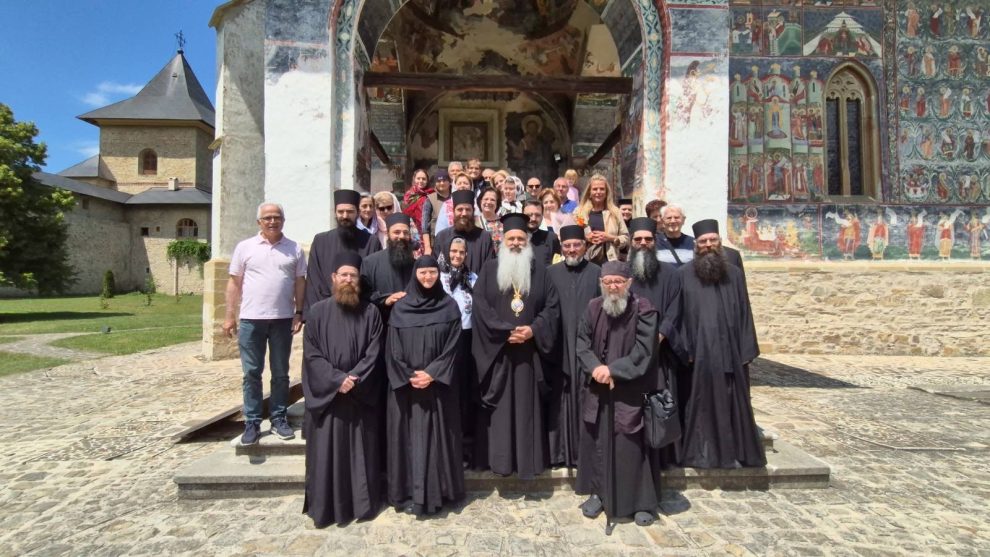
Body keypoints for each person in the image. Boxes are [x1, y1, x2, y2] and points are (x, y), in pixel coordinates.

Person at [471, 214, 560, 479]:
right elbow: (480, 307)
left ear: (528, 241)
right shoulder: (489, 269)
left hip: (529, 355)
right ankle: (501, 463)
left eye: (521, 238)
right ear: (502, 240)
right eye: (511, 238)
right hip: (498, 353)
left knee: (526, 410)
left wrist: (533, 330)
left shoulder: (541, 272)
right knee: (500, 410)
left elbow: (552, 308)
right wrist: (504, 331)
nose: (516, 243)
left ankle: (527, 463)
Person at [574, 261, 661, 527]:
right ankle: (598, 494)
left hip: (630, 389)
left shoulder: (644, 309)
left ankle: (640, 502)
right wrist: (596, 368)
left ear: (629, 284)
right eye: (608, 281)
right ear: (601, 283)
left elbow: (644, 351)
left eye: (618, 282)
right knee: (598, 443)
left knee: (629, 446)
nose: (613, 286)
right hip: (598, 388)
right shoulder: (593, 307)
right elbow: (581, 343)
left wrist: (613, 370)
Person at [673, 219, 765, 469]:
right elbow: (678, 317)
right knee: (700, 403)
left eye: (712, 240)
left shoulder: (734, 274)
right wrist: (686, 350)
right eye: (703, 241)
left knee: (731, 401)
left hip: (730, 351)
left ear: (720, 242)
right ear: (696, 245)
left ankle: (733, 452)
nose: (708, 245)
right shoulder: (682, 275)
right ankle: (700, 453)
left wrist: (746, 349)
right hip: (699, 354)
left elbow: (745, 310)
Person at [302, 252, 384, 527]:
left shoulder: (371, 313)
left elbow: (374, 352)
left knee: (361, 454)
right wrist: (337, 379)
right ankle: (327, 507)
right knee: (327, 455)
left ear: (359, 280)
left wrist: (354, 378)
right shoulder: (316, 312)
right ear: (334, 278)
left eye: (353, 275)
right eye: (344, 275)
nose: (348, 280)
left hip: (359, 396)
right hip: (329, 399)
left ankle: (362, 504)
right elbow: (311, 354)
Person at [385, 256, 465, 516]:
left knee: (441, 440)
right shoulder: (401, 308)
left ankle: (444, 491)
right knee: (408, 442)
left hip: (439, 387)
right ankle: (409, 493)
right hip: (408, 389)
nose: (428, 277)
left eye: (432, 272)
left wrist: (432, 373)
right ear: (415, 275)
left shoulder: (449, 306)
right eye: (423, 273)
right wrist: (409, 375)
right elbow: (392, 348)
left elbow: (454, 346)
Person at [224, 202, 307, 445]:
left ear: (283, 220)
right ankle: (252, 421)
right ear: (259, 222)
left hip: (282, 319)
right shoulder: (245, 247)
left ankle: (279, 418)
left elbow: (300, 282)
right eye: (267, 218)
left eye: (276, 217)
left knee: (281, 373)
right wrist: (229, 316)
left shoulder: (294, 249)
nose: (272, 221)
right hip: (251, 319)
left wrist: (299, 312)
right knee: (252, 373)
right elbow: (234, 283)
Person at [626, 217, 683, 466]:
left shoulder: (671, 274)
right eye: (637, 239)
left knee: (661, 405)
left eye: (648, 239)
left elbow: (675, 308)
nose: (643, 243)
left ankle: (663, 457)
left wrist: (660, 334)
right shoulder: (621, 273)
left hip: (660, 352)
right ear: (631, 242)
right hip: (629, 353)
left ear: (655, 241)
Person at [546, 225, 601, 468]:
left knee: (587, 397)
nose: (571, 249)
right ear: (561, 247)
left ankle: (585, 454)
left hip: (589, 348)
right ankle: (558, 454)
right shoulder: (550, 273)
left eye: (576, 245)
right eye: (567, 245)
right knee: (559, 398)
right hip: (558, 347)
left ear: (585, 246)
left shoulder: (597, 272)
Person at [304, 190, 382, 317]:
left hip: (361, 313)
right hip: (326, 313)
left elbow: (374, 280)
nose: (345, 216)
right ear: (335, 212)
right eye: (340, 211)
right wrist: (317, 314)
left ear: (357, 212)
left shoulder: (371, 242)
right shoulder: (320, 241)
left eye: (350, 211)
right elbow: (314, 281)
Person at [439, 238, 480, 458]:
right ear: (447, 252)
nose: (457, 255)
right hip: (446, 339)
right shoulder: (439, 277)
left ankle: (467, 443)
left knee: (466, 391)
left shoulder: (472, 278)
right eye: (453, 251)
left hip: (468, 338)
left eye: (461, 252)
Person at [360, 213, 417, 325]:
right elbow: (364, 295)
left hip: (410, 325)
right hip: (381, 324)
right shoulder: (370, 263)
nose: (401, 236)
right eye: (396, 232)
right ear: (387, 234)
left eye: (405, 233)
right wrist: (385, 300)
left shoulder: (416, 265)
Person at [433, 189, 496, 276]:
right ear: (453, 211)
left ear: (473, 211)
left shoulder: (484, 237)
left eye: (468, 209)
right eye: (460, 209)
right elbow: (436, 269)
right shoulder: (442, 237)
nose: (464, 213)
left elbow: (490, 269)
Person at [574, 174, 629, 264]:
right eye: (595, 189)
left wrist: (611, 238)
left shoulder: (615, 212)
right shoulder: (579, 212)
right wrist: (585, 237)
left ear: (607, 192)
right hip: (585, 261)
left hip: (609, 261)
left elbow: (625, 238)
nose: (598, 192)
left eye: (602, 189)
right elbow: (570, 236)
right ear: (589, 192)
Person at [421, 169, 452, 255]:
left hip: (454, 242)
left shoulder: (455, 197)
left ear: (449, 182)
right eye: (438, 181)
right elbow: (425, 226)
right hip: (436, 244)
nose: (441, 183)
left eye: (444, 180)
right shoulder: (430, 199)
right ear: (435, 183)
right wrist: (427, 247)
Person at [524, 200, 562, 267]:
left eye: (537, 215)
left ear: (542, 217)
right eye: (529, 215)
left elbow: (557, 266)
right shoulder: (514, 239)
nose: (533, 219)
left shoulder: (551, 238)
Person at [655, 203, 694, 267]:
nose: (673, 221)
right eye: (669, 218)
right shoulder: (655, 242)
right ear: (662, 221)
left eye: (676, 217)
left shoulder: (693, 243)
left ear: (683, 220)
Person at [402, 168, 433, 234]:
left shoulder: (432, 194)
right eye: (418, 178)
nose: (421, 181)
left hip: (429, 229)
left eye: (423, 179)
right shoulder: (409, 195)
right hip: (412, 230)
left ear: (427, 181)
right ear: (414, 179)